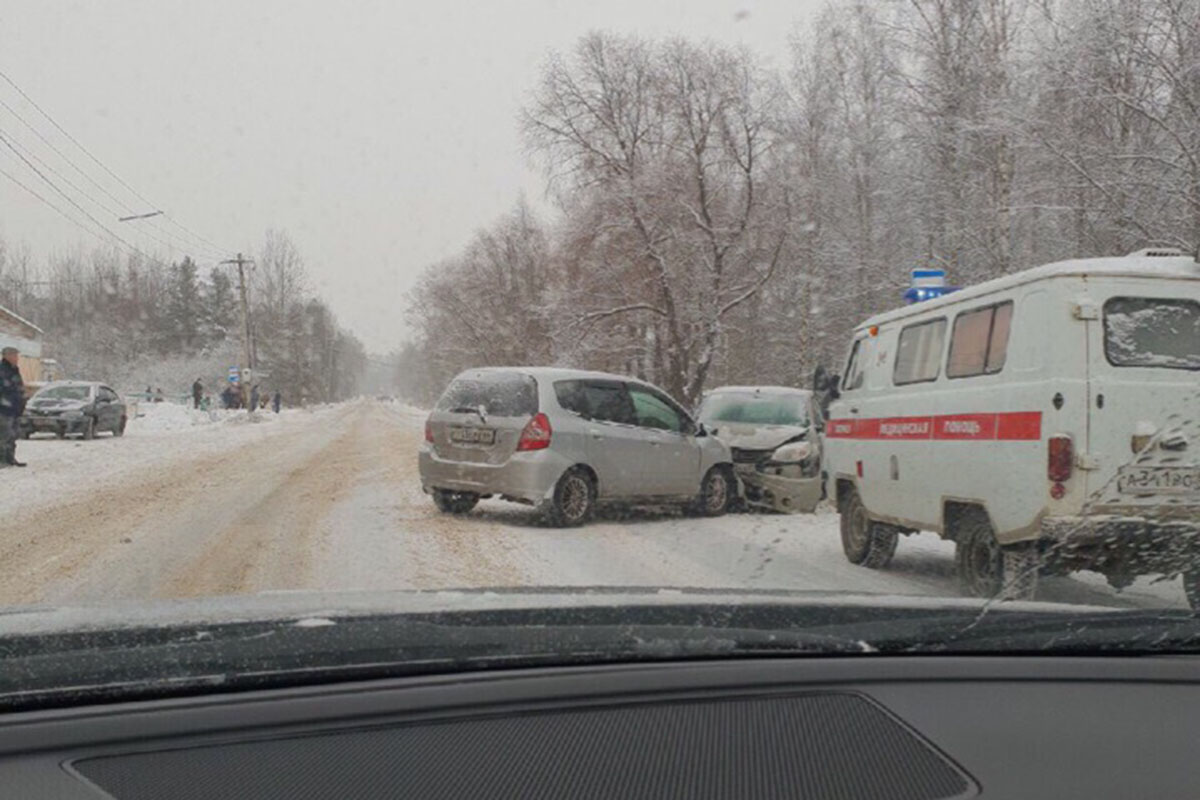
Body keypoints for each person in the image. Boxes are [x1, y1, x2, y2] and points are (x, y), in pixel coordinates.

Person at [0, 346, 27, 468]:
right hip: (4, 409)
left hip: (15, 409)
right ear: (6, 356)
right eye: (14, 355)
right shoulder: (2, 370)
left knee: (13, 435)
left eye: (17, 355)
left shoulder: (15, 370)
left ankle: (10, 458)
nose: (16, 358)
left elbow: (19, 387)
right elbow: (5, 389)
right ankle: (2, 460)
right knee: (4, 435)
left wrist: (22, 399)